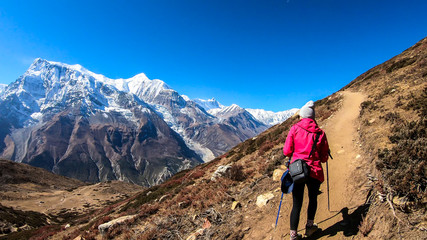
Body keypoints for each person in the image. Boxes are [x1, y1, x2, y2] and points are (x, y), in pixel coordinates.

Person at [283, 100, 329, 240]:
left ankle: (293, 235)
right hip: (314, 171)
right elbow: (323, 158)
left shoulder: (294, 129)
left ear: (302, 116)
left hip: (298, 171)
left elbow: (287, 151)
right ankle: (310, 227)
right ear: (313, 117)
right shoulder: (320, 133)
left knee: (297, 203)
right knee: (313, 199)